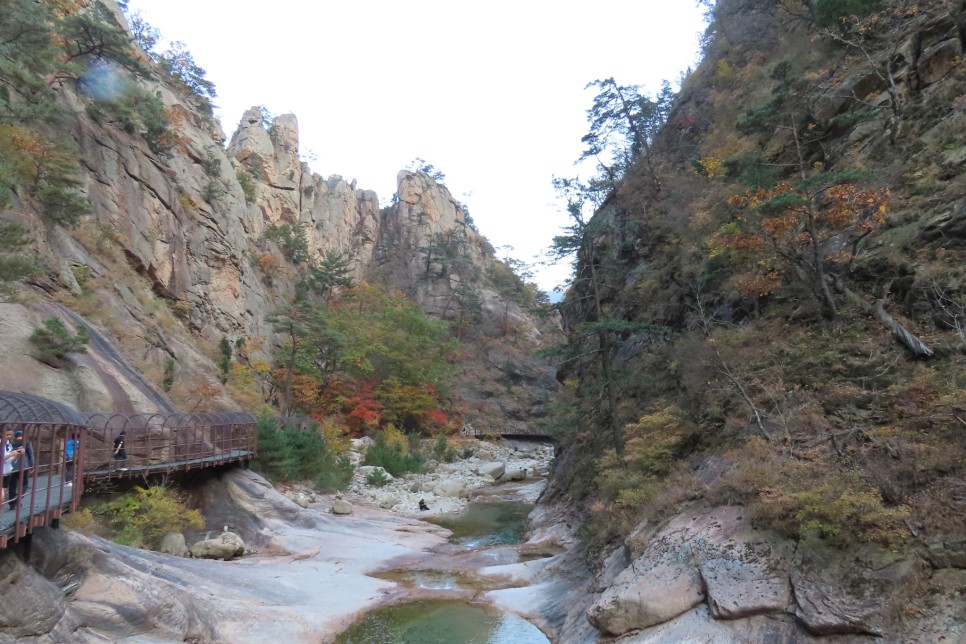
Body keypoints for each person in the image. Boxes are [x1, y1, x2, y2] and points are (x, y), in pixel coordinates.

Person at [3, 428, 26, 509]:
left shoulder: (9, 444)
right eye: (7, 435)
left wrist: (17, 455)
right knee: (2, 495)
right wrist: (11, 454)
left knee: (3, 495)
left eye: (10, 434)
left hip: (7, 471)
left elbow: (11, 461)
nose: (9, 436)